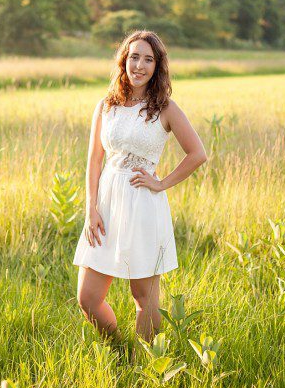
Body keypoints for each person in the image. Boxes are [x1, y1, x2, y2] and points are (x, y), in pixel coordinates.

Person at [73, 30, 208, 344]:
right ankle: (119, 348)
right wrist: (90, 208)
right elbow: (94, 160)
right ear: (124, 60)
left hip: (143, 205)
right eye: (134, 56)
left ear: (157, 66)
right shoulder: (106, 106)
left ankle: (144, 366)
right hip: (105, 206)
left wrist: (161, 183)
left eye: (148, 59)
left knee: (143, 296)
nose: (140, 65)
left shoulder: (165, 108)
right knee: (88, 298)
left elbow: (197, 153)